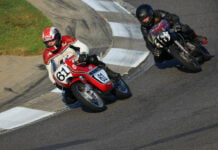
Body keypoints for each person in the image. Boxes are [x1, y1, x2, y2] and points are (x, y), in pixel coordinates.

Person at [42, 27, 120, 104]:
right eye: (47, 43)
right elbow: (50, 72)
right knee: (69, 100)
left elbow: (82, 46)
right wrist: (55, 83)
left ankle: (110, 73)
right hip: (67, 74)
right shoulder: (46, 54)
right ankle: (83, 95)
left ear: (58, 37)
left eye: (52, 41)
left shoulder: (67, 39)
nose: (50, 44)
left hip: (80, 62)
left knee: (93, 59)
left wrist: (83, 54)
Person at [136, 4, 209, 63]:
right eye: (143, 20)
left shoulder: (158, 13)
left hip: (171, 29)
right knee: (158, 58)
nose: (145, 21)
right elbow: (148, 41)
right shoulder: (144, 28)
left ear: (151, 13)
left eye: (146, 18)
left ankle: (195, 37)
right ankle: (176, 55)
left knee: (184, 27)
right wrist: (154, 50)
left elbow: (173, 17)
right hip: (161, 40)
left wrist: (176, 24)